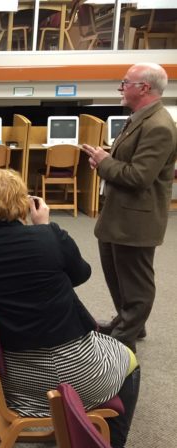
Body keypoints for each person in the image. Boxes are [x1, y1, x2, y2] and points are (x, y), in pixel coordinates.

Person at [0, 168, 139, 448]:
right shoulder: (48, 237)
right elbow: (81, 274)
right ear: (24, 203)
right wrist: (44, 225)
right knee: (129, 360)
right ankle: (114, 445)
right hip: (72, 374)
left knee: (108, 346)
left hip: (13, 376)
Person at [82, 62, 177, 352]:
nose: (120, 88)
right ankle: (128, 321)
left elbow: (139, 177)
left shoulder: (159, 126)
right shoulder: (140, 117)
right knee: (116, 274)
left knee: (136, 280)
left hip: (137, 220)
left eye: (125, 82)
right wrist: (106, 160)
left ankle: (127, 333)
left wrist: (104, 162)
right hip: (119, 215)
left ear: (144, 88)